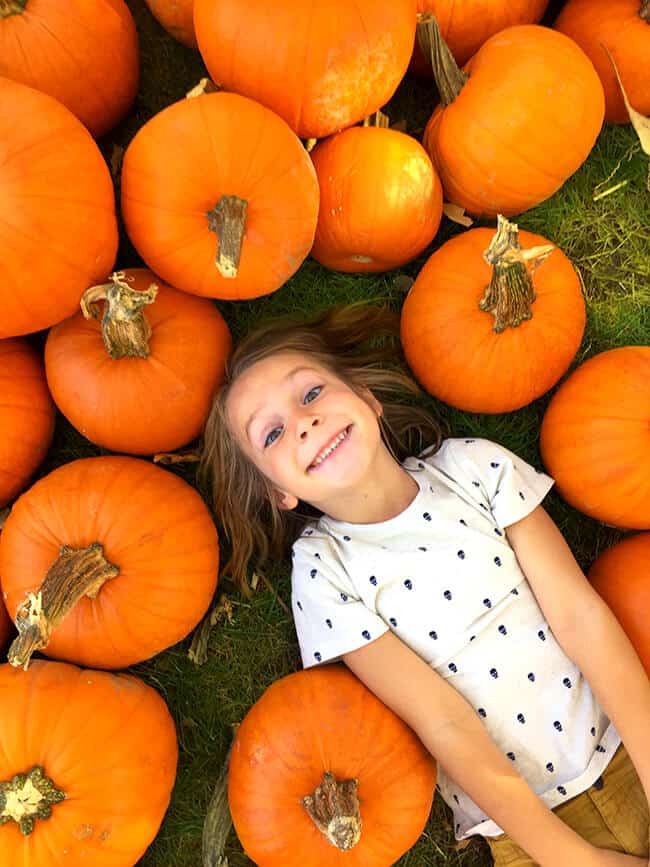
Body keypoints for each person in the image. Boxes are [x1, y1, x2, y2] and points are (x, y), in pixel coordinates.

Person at [200, 302, 650, 867]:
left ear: (366, 398)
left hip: (627, 746)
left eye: (311, 394)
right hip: (527, 827)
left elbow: (580, 617)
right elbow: (442, 722)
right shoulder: (323, 571)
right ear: (277, 493)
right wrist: (572, 859)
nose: (304, 422)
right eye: (272, 434)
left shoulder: (475, 469)